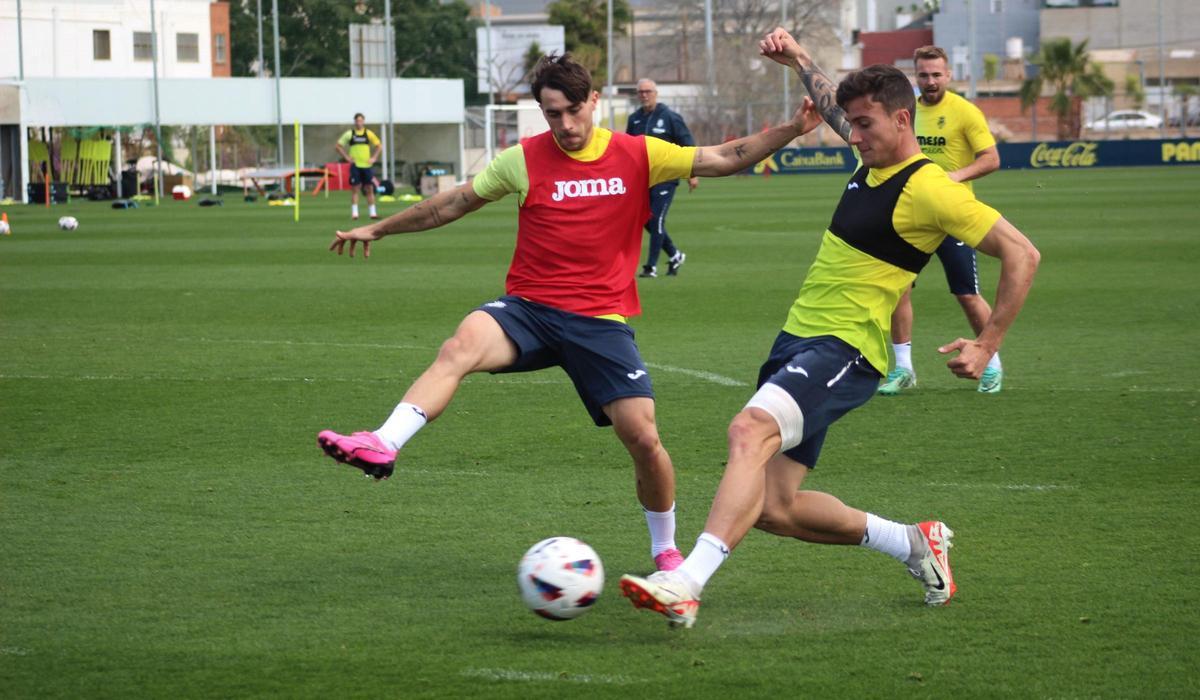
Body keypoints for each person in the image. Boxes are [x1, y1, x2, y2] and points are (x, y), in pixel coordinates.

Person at [317, 53, 824, 571]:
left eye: (572, 111)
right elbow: (452, 204)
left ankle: (665, 550)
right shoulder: (524, 158)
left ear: (595, 102)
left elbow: (725, 156)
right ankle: (384, 442)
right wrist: (377, 228)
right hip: (529, 309)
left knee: (644, 438)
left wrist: (791, 129)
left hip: (600, 320)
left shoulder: (638, 152)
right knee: (460, 345)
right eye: (551, 113)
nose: (563, 125)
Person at [618, 32, 1040, 629]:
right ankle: (915, 543)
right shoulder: (872, 153)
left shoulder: (932, 188)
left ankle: (686, 583)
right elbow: (833, 104)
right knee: (771, 508)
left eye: (865, 125)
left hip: (848, 349)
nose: (854, 134)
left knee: (748, 429)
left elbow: (1023, 254)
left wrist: (988, 342)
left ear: (901, 119)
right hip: (799, 339)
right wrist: (799, 62)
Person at [783, 43, 1005, 395]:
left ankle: (991, 363)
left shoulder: (962, 114)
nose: (930, 80)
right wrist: (800, 60)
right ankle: (903, 368)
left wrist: (952, 179)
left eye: (936, 73)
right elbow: (839, 112)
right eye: (924, 74)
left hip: (946, 210)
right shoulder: (879, 129)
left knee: (966, 292)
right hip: (897, 217)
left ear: (947, 74)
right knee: (898, 292)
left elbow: (992, 161)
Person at [626, 79, 699, 278]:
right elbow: (627, 149)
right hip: (643, 179)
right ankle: (675, 254)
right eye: (640, 92)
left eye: (648, 91)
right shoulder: (634, 119)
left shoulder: (670, 117)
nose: (644, 95)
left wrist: (692, 174)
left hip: (666, 177)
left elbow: (687, 145)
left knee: (657, 219)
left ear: (656, 93)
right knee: (645, 220)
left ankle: (651, 267)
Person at [335, 113, 383, 220]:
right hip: (355, 165)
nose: (359, 123)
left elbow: (379, 146)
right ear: (354, 122)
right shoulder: (350, 134)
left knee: (369, 188)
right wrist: (346, 157)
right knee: (355, 188)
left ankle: (372, 213)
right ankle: (355, 213)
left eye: (361, 121)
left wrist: (374, 157)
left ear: (364, 121)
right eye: (357, 121)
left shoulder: (368, 133)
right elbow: (338, 146)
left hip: (366, 165)